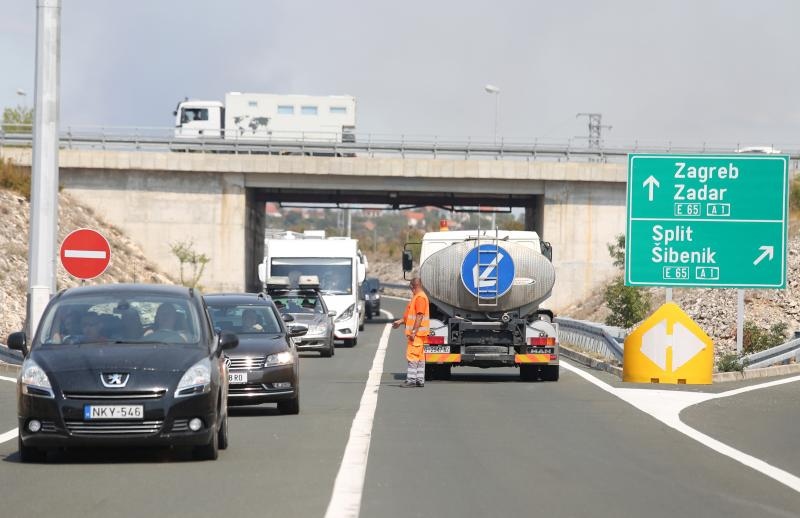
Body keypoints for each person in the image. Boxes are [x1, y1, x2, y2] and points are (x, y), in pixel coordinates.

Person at [392, 277, 430, 387]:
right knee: (420, 357)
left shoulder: (420, 298)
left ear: (412, 286)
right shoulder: (418, 297)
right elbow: (411, 315)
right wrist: (400, 321)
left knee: (412, 356)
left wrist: (413, 332)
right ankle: (419, 380)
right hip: (420, 334)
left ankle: (412, 380)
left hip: (417, 335)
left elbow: (419, 316)